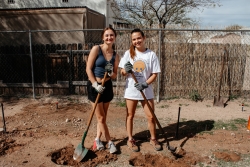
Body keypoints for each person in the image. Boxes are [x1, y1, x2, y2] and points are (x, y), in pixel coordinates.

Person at [118, 28, 162, 152]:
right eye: (134, 39)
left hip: (146, 91)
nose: (137, 41)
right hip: (131, 90)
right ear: (132, 41)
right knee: (130, 116)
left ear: (144, 38)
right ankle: (130, 139)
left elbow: (154, 74)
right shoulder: (128, 53)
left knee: (151, 116)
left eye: (139, 38)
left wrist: (145, 84)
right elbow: (122, 72)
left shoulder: (151, 54)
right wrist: (125, 70)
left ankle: (153, 139)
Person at [86, 27, 119, 154]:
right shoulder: (96, 49)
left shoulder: (116, 55)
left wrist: (111, 73)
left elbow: (115, 75)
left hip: (107, 86)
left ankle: (97, 139)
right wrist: (95, 84)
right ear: (103, 37)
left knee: (103, 117)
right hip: (95, 86)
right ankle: (110, 142)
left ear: (114, 37)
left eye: (111, 35)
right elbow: (88, 69)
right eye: (107, 35)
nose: (109, 38)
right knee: (101, 117)